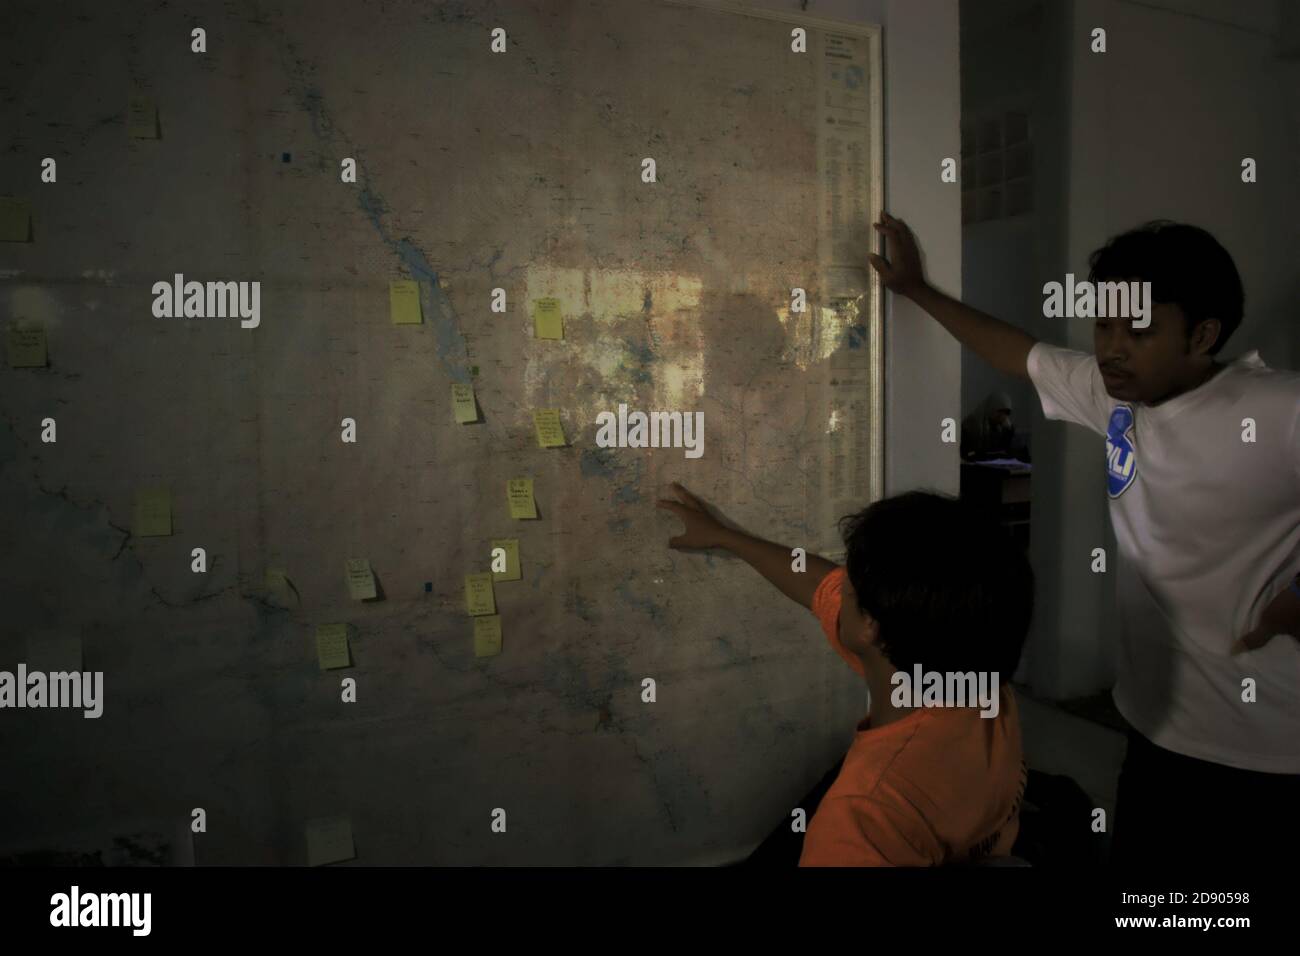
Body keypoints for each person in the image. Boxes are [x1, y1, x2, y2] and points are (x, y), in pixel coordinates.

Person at [868, 213, 1300, 867]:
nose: (1111, 349)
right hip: (1155, 724)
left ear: (1203, 334)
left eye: (1139, 331)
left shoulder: (1279, 410)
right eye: (1103, 324)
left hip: (1266, 745)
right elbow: (1019, 352)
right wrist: (915, 290)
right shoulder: (1115, 395)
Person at [657, 483, 1032, 865]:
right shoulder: (980, 681)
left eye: (850, 589)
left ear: (870, 625)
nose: (839, 585)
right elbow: (817, 583)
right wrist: (725, 537)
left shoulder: (862, 820)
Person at [961, 390, 1017, 460]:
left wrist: (1009, 431)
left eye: (1006, 412)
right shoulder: (972, 423)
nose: (1003, 416)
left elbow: (1005, 450)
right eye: (1000, 411)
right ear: (991, 407)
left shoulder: (1001, 427)